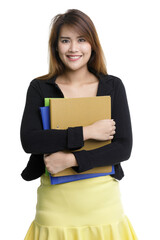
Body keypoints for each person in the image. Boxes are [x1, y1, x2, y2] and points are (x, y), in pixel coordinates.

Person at [20, 9, 138, 240]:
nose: (73, 48)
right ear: (56, 46)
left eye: (81, 40)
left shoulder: (112, 86)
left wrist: (71, 160)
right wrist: (88, 132)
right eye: (65, 41)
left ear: (93, 44)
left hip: (103, 207)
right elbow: (30, 140)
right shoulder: (40, 87)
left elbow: (123, 147)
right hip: (55, 208)